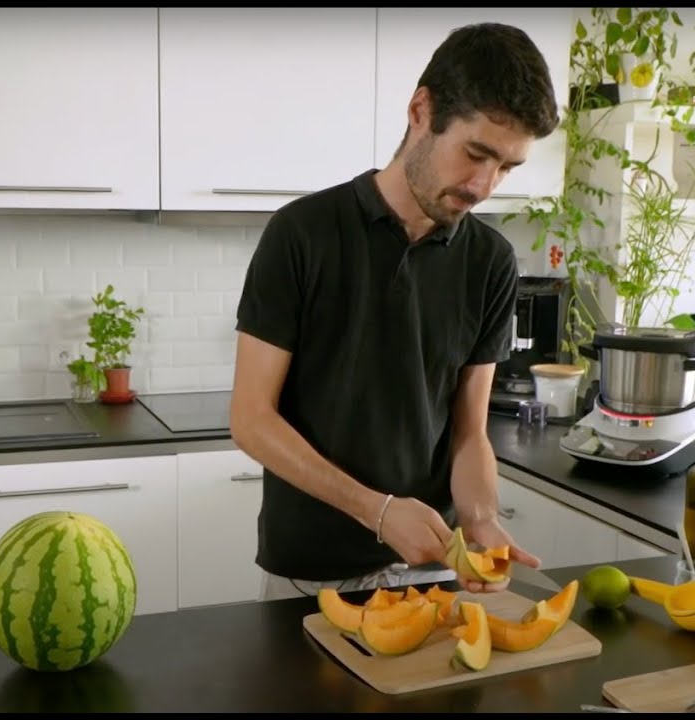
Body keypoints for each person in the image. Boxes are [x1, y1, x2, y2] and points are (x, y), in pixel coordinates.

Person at [229, 22, 560, 602]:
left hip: (432, 572)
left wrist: (480, 517)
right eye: (476, 154)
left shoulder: (492, 262)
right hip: (309, 574)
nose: (485, 185)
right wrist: (377, 512)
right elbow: (251, 419)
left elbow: (468, 432)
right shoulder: (301, 234)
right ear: (421, 111)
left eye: (507, 167)